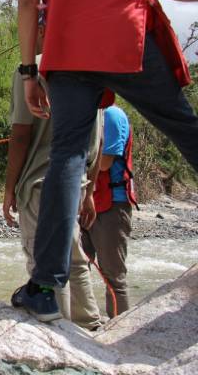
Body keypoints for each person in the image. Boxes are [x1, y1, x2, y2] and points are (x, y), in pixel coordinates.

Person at [12, 0, 198, 322]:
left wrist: (28, 71)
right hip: (128, 40)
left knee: (66, 157)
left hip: (67, 51)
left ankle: (44, 286)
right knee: (183, 126)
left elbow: (27, 4)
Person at [4, 46, 103, 329]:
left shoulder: (31, 70)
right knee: (74, 257)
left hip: (39, 184)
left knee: (44, 265)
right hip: (78, 181)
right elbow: (100, 138)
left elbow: (21, 134)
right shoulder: (94, 66)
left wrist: (10, 188)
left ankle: (58, 337)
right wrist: (90, 191)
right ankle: (90, 326)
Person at [82, 105, 137, 318]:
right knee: (78, 268)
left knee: (114, 277)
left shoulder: (112, 115)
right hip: (87, 201)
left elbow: (104, 163)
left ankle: (119, 334)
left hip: (112, 206)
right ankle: (84, 323)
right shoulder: (89, 115)